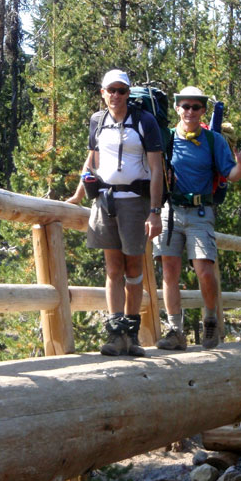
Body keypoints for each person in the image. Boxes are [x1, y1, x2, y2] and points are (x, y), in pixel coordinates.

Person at [152, 86, 241, 350]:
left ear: (203, 111)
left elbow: (230, 175)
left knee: (204, 270)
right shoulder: (166, 139)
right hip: (170, 210)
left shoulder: (214, 141)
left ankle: (210, 321)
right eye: (185, 106)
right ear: (177, 108)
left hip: (201, 212)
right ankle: (175, 331)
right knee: (169, 272)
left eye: (196, 107)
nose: (190, 111)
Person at [67, 69, 164, 357]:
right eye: (111, 90)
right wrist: (77, 194)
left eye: (122, 91)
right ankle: (114, 333)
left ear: (128, 93)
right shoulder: (98, 121)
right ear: (103, 92)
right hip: (104, 202)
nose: (116, 96)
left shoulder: (144, 121)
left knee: (133, 269)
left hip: (135, 201)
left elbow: (156, 169)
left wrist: (155, 211)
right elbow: (91, 160)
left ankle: (131, 336)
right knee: (112, 269)